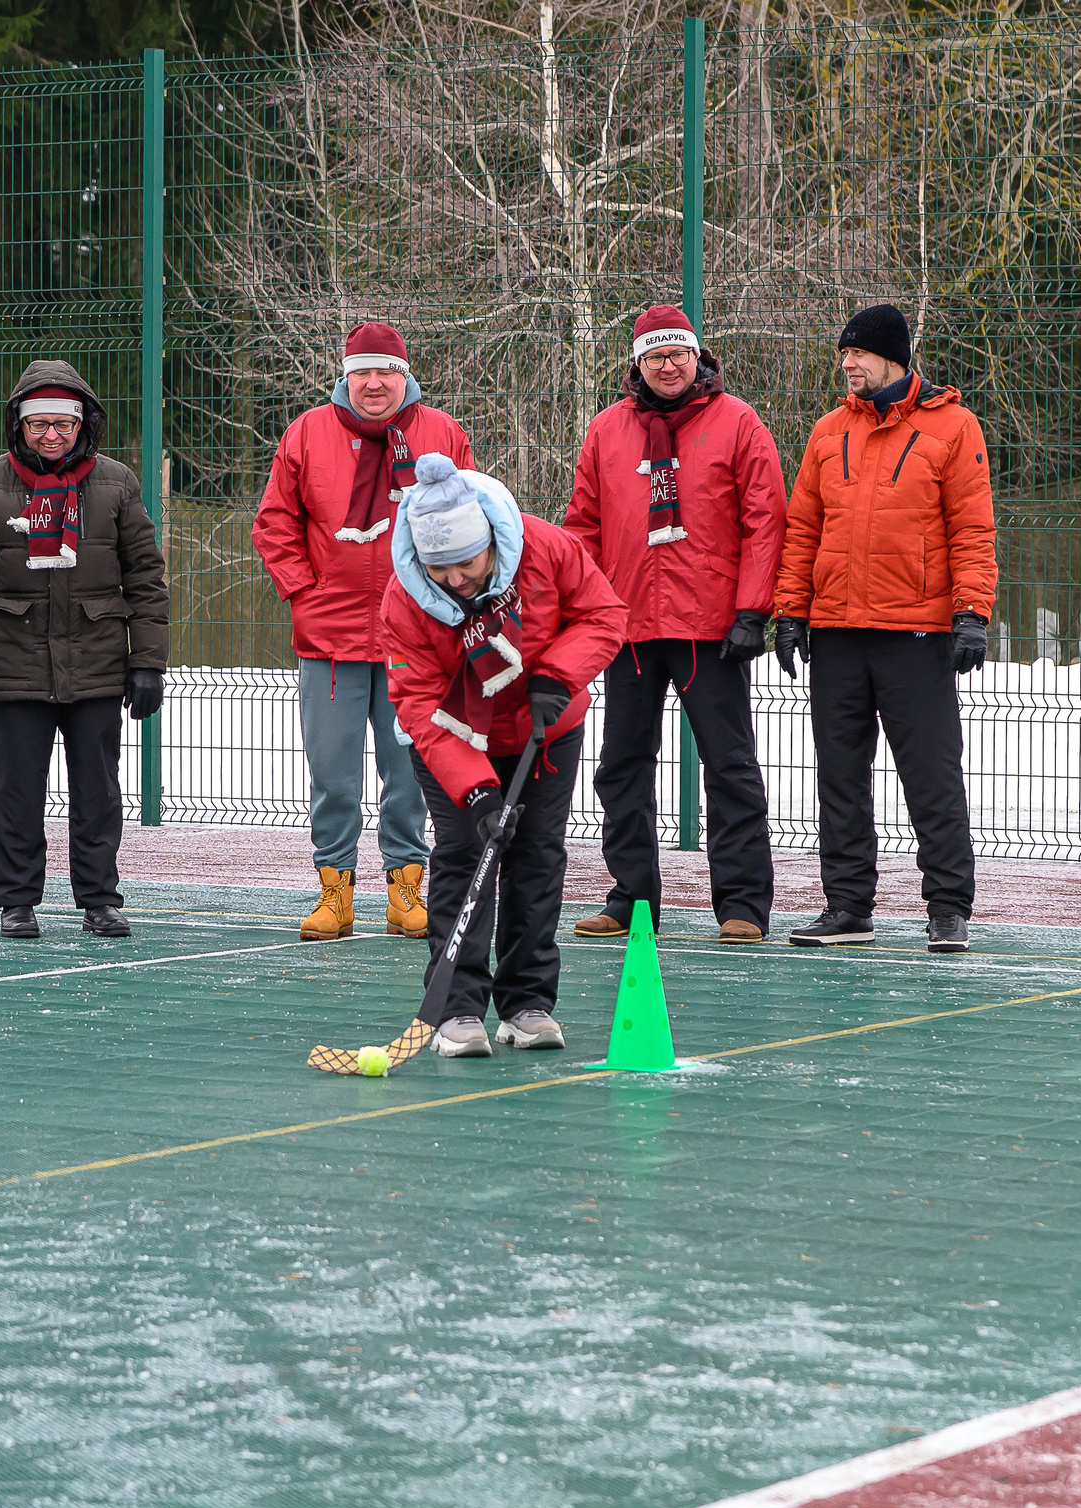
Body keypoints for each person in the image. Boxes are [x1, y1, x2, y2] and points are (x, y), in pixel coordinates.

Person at [382, 454, 627, 1056]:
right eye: (441, 569)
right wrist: (478, 790)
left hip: (545, 728)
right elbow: (415, 702)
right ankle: (456, 1010)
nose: (456, 580)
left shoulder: (545, 548)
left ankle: (527, 1003)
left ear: (491, 540)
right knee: (467, 853)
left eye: (467, 563)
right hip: (454, 737)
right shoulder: (405, 598)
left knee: (537, 855)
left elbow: (604, 614)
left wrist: (559, 674)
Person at [772, 304, 996, 953]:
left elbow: (973, 530)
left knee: (931, 776)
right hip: (837, 629)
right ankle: (847, 907)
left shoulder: (954, 428)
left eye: (859, 354)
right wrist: (790, 612)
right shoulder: (825, 433)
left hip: (916, 632)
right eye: (843, 354)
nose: (847, 364)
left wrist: (971, 613)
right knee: (840, 777)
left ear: (894, 358)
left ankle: (948, 909)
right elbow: (802, 530)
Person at [561, 304, 786, 944]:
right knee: (621, 766)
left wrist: (752, 610)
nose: (668, 366)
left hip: (709, 625)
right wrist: (584, 608)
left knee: (730, 764)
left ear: (697, 358)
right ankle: (631, 899)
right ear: (638, 363)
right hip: (628, 625)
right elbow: (583, 527)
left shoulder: (739, 422)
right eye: (656, 356)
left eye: (678, 354)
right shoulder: (606, 430)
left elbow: (765, 519)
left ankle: (743, 904)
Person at [253, 323, 475, 944]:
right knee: (333, 772)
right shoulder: (306, 433)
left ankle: (407, 889)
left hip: (418, 636)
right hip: (330, 638)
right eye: (362, 372)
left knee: (409, 767)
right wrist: (305, 592)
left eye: (386, 371)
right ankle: (335, 892)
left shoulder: (442, 434)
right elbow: (274, 523)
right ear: (344, 376)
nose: (374, 383)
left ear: (405, 375)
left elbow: (469, 518)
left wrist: (447, 600)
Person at [0, 360, 170, 940]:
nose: (51, 435)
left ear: (83, 424)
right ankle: (16, 901)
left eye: (63, 425)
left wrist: (147, 663)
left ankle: (99, 899)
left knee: (98, 792)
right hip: (15, 663)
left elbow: (146, 579)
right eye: (38, 423)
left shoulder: (116, 484)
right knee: (16, 791)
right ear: (18, 425)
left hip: (97, 663)